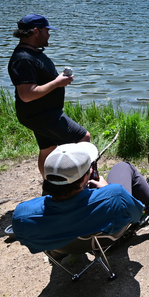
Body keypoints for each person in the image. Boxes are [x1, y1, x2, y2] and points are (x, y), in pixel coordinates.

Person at [11, 142, 149, 255]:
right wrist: (106, 189)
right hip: (105, 239)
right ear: (85, 178)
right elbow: (136, 215)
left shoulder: (21, 215)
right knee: (124, 167)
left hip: (62, 248)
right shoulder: (114, 196)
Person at [8, 14, 90, 178]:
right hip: (41, 114)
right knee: (82, 138)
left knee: (47, 148)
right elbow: (27, 94)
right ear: (36, 31)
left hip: (40, 113)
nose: (49, 34)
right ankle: (79, 184)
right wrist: (57, 83)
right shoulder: (23, 59)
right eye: (47, 30)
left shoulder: (31, 54)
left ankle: (50, 185)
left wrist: (57, 80)